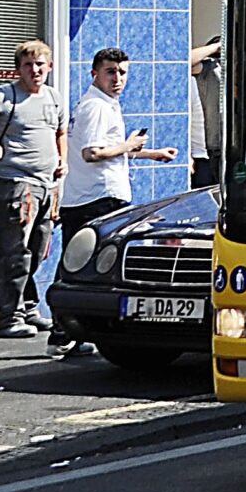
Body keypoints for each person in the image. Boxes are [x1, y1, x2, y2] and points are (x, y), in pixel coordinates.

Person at [59, 47, 178, 355]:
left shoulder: (105, 104)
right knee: (95, 269)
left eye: (123, 72)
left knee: (83, 266)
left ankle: (70, 333)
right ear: (95, 74)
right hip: (97, 199)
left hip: (92, 196)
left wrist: (150, 153)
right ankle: (66, 333)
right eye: (111, 72)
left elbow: (108, 148)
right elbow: (93, 152)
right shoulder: (96, 106)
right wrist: (130, 144)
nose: (118, 78)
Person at [0, 40, 68, 340]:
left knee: (37, 251)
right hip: (14, 186)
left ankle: (26, 306)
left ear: (49, 67)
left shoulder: (53, 97)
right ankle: (8, 317)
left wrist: (63, 160)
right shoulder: (5, 96)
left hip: (47, 186)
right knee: (15, 253)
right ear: (19, 69)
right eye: (28, 65)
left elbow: (61, 131)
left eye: (41, 64)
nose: (35, 70)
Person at [187, 37, 221, 190]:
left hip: (239, 147)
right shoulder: (211, 69)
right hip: (210, 149)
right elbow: (185, 62)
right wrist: (217, 47)